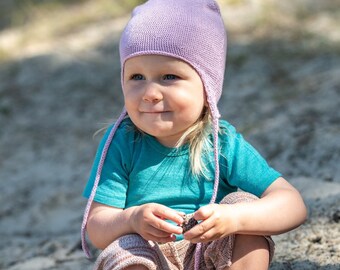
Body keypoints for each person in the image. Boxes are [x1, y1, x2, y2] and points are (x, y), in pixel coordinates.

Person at [81, 0, 307, 269]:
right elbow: (97, 228)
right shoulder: (122, 141)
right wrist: (132, 219)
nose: (150, 93)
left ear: (206, 85)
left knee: (243, 206)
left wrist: (234, 218)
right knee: (124, 247)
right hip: (150, 256)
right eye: (137, 77)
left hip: (211, 252)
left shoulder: (221, 142)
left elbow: (293, 205)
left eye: (168, 76)